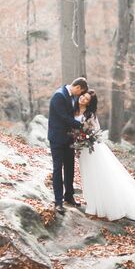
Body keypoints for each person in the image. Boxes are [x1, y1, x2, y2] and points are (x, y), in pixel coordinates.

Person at [75, 90, 135, 224]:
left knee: (98, 175)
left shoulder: (90, 114)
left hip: (93, 148)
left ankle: (104, 207)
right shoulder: (74, 109)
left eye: (87, 98)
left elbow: (96, 132)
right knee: (88, 175)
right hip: (82, 149)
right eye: (83, 96)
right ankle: (93, 204)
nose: (84, 98)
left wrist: (86, 137)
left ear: (90, 103)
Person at [48, 77, 88, 214]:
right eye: (80, 92)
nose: (79, 95)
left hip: (69, 139)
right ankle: (58, 202)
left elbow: (75, 113)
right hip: (57, 139)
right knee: (58, 169)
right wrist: (82, 126)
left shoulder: (73, 97)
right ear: (77, 87)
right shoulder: (59, 96)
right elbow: (65, 118)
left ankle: (69, 196)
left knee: (70, 168)